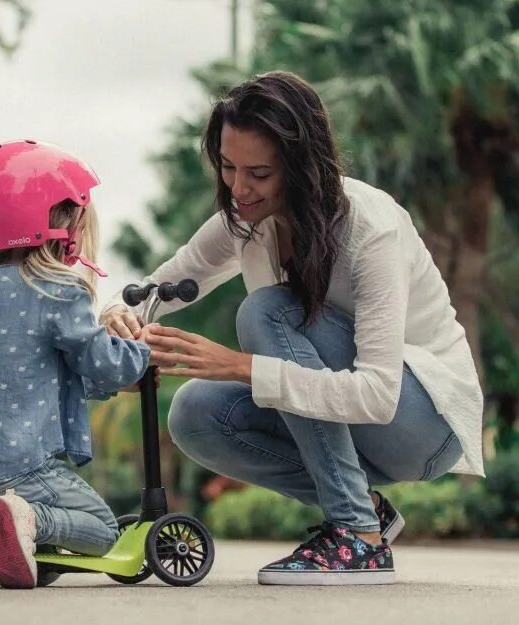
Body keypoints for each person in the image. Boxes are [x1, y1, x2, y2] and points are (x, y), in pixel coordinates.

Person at [100, 71, 484, 586]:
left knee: (265, 312)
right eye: (228, 167)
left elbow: (376, 397)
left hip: (422, 423)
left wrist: (240, 367)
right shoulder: (245, 219)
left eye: (259, 172)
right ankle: (366, 510)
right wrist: (118, 321)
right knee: (194, 414)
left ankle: (358, 536)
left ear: (302, 168)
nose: (239, 188)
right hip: (363, 421)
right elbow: (157, 288)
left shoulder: (371, 229)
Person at [0, 140, 152, 589]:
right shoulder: (60, 290)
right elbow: (106, 364)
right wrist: (140, 350)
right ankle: (27, 517)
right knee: (104, 529)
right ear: (67, 220)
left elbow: (33, 372)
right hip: (23, 472)